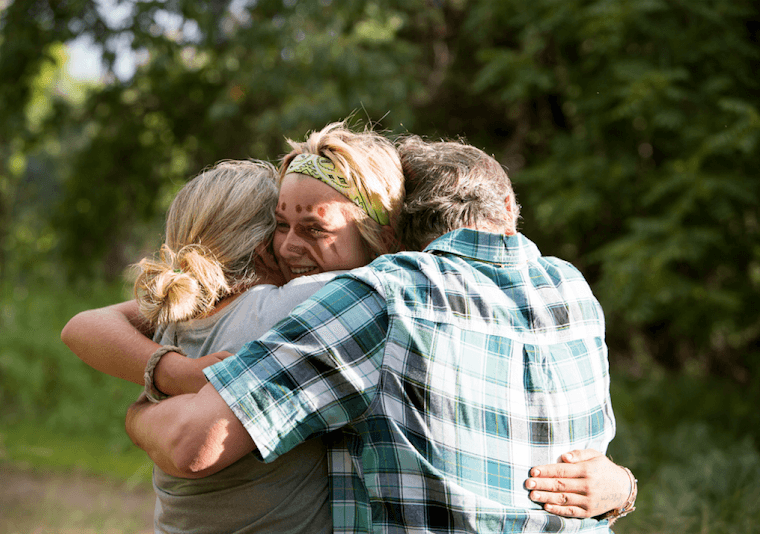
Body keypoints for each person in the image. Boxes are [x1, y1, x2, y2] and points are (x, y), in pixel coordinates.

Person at [124, 135, 636, 533]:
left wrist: (142, 407)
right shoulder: (571, 291)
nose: (286, 247)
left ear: (392, 228)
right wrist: (625, 487)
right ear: (507, 204)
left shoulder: (381, 297)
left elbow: (192, 443)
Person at [61, 122, 407, 533]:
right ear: (263, 246)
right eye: (281, 226)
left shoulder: (179, 311)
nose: (290, 246)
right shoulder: (302, 303)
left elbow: (81, 325)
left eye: (313, 229)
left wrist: (153, 395)